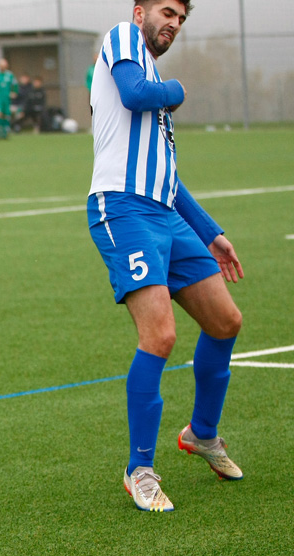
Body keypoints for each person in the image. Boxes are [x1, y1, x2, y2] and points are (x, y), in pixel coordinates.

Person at [87, 0, 244, 512]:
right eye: (167, 12)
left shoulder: (151, 75)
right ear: (140, 13)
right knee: (160, 335)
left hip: (166, 215)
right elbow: (134, 96)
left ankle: (201, 433)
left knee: (225, 322)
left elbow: (168, 178)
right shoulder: (122, 42)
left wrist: (211, 233)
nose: (173, 23)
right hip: (123, 210)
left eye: (181, 18)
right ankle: (139, 469)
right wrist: (177, 91)